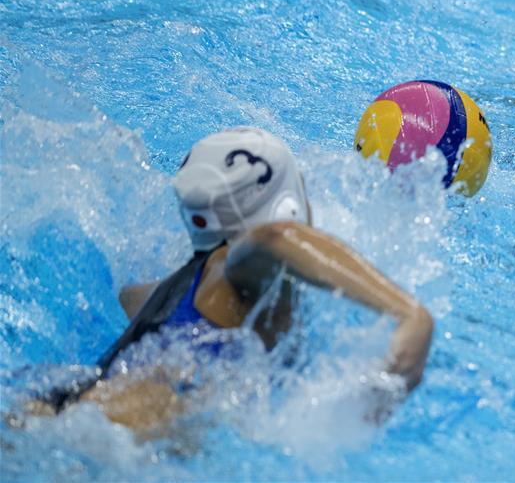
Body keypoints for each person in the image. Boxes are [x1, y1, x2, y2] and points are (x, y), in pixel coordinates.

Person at [16, 127, 434, 435]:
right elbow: (278, 237)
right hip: (115, 428)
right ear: (286, 205)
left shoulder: (177, 289)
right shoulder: (242, 275)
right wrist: (410, 314)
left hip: (66, 406)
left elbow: (129, 298)